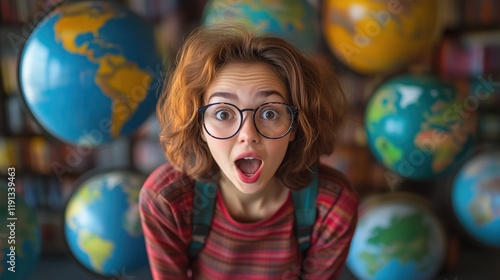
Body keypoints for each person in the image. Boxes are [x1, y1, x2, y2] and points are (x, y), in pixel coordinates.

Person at [139, 24, 359, 280]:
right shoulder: (168, 199)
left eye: (269, 113)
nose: (248, 134)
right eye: (223, 114)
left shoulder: (330, 206)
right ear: (199, 127)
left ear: (295, 127)